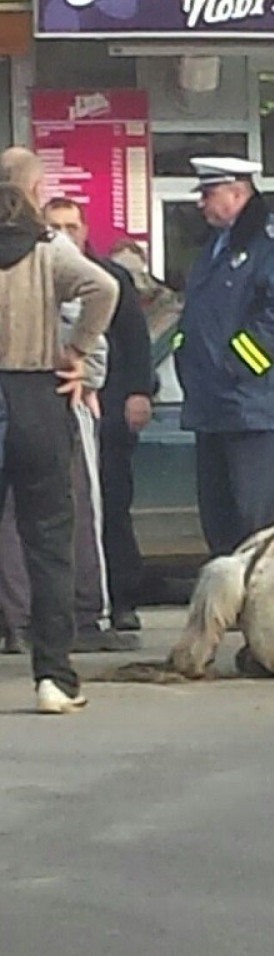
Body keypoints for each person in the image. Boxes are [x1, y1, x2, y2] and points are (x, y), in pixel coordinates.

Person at [0, 180, 118, 712]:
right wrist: (77, 352)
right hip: (35, 396)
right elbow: (105, 289)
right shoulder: (47, 252)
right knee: (48, 543)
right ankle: (54, 677)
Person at [173, 157, 274, 557]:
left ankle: (259, 608)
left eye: (209, 193)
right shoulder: (219, 244)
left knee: (253, 521)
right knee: (218, 519)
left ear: (237, 193)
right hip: (212, 404)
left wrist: (239, 363)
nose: (201, 203)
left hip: (250, 405)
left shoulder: (271, 240)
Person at [44, 197, 155, 635]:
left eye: (73, 226)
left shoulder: (111, 279)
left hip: (106, 410)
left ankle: (122, 599)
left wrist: (139, 393)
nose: (66, 234)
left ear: (86, 230)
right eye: (56, 226)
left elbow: (135, 343)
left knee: (111, 506)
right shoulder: (40, 273)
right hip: (55, 406)